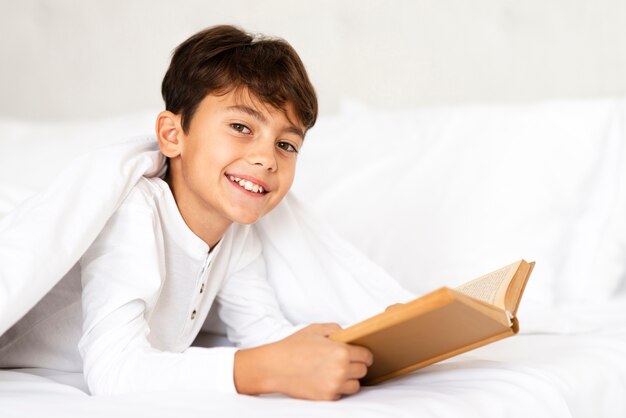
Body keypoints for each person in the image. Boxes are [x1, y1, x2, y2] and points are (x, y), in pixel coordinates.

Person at [0, 25, 377, 401]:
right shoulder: (136, 212)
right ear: (172, 135)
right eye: (241, 126)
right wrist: (262, 369)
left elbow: (261, 332)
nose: (266, 158)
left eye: (286, 144)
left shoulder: (236, 233)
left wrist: (341, 352)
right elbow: (113, 370)